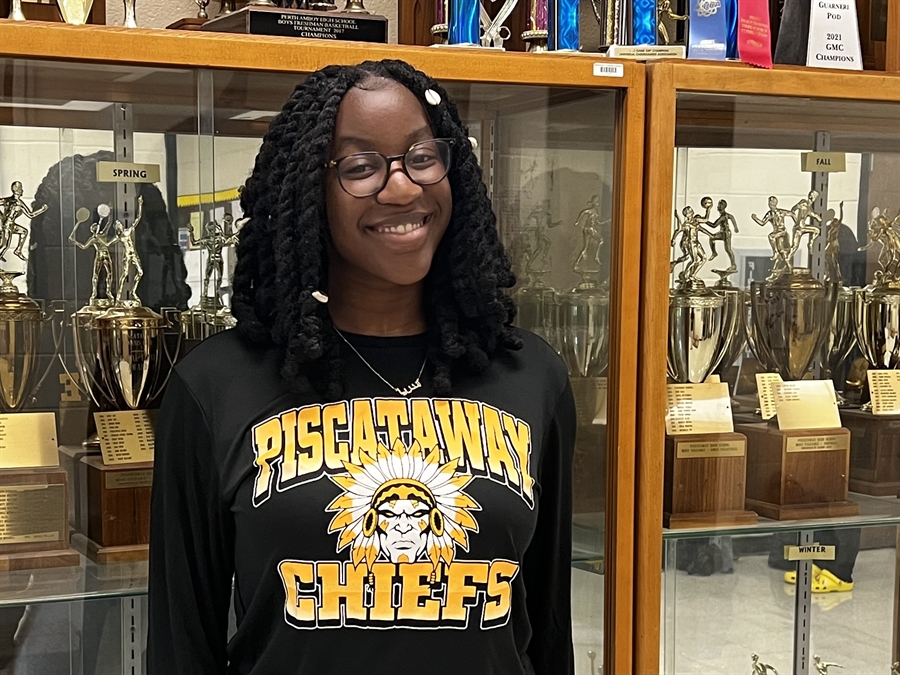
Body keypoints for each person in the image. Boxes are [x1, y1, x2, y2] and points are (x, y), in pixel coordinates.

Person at [147, 60, 576, 675]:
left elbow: (548, 635)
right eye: (360, 167)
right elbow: (180, 646)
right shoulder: (217, 385)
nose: (402, 189)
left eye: (421, 157)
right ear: (307, 190)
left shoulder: (531, 376)